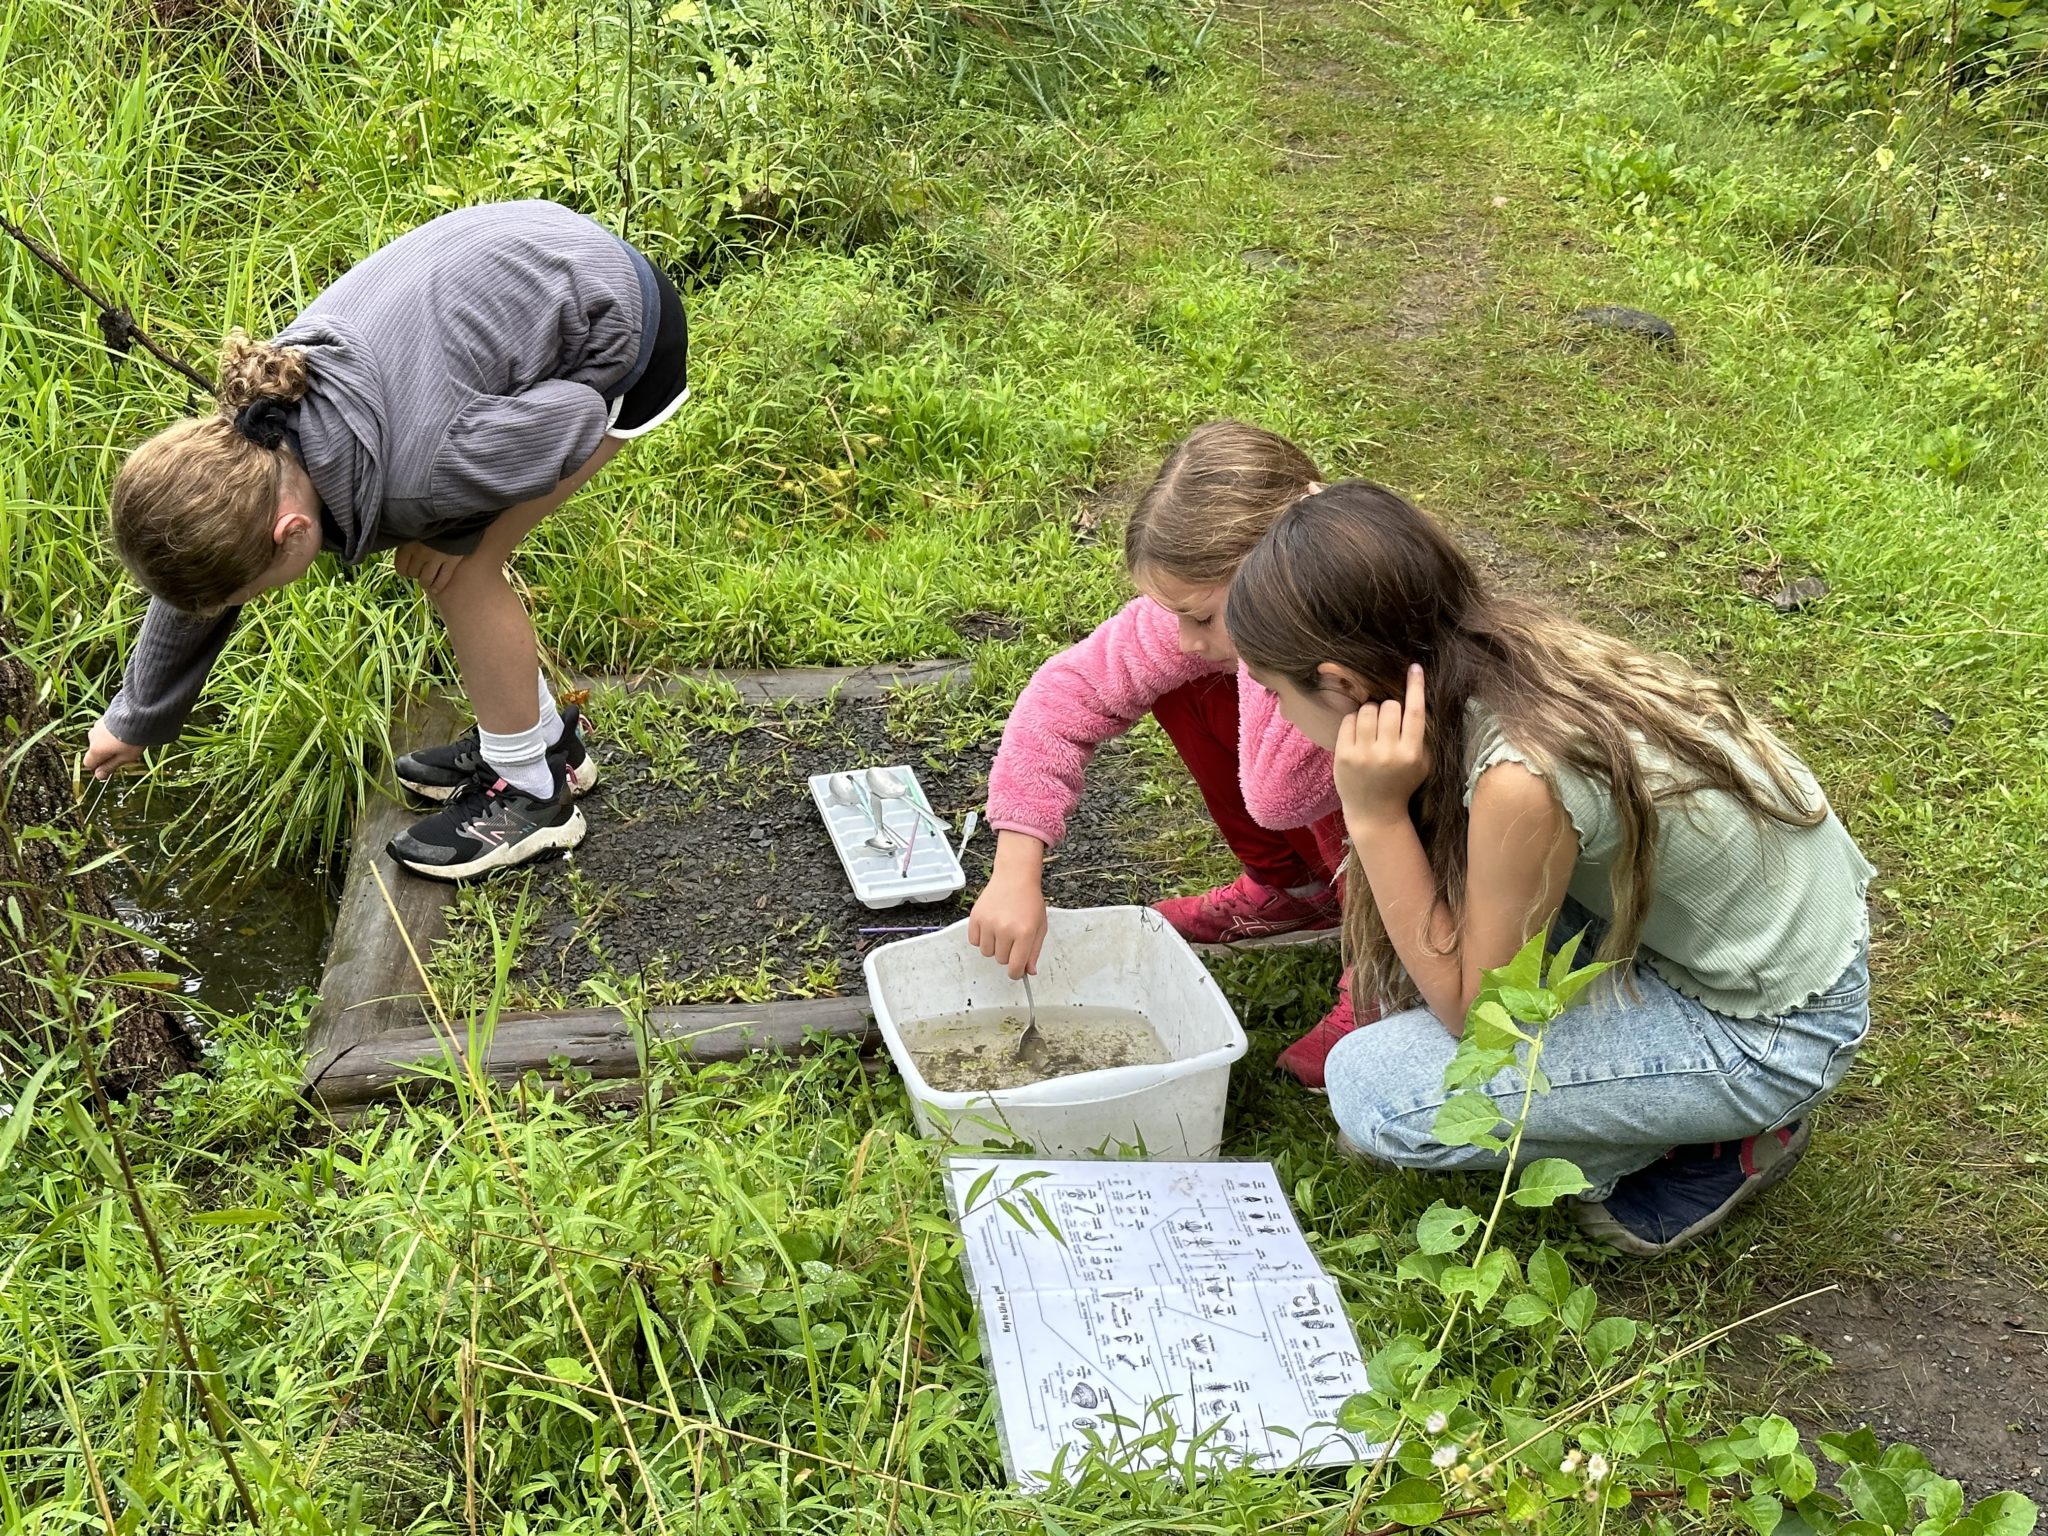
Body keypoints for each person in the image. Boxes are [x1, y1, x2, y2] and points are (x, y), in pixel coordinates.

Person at [1223, 481, 1874, 1255]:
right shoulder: (1490, 651)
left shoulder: (1519, 778)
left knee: (1375, 1089)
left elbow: (1478, 1022)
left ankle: (1720, 1132)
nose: (1278, 718)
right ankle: (1647, 1106)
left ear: (1344, 684)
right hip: (1696, 943)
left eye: (1273, 693)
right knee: (1416, 1008)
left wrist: (1373, 815)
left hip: (1772, 1028)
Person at [83, 200, 689, 881]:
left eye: (246, 593)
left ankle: (533, 793)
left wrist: (459, 531)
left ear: (293, 533)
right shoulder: (257, 428)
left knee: (462, 573)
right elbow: (203, 576)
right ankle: (545, 744)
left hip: (627, 330)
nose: (236, 600)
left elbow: (570, 419)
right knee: (451, 552)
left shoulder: (421, 478)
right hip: (539, 256)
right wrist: (135, 716)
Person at [970, 421, 1377, 1087]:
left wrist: (1261, 671)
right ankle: (1297, 890)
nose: (1186, 638)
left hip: (1427, 854)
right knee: (1186, 684)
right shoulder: (1232, 610)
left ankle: (1382, 980)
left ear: (1279, 574)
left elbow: (1282, 793)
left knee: (1351, 772)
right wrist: (1016, 868)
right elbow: (1066, 693)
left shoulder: (1353, 643)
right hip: (1300, 755)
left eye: (1201, 615)